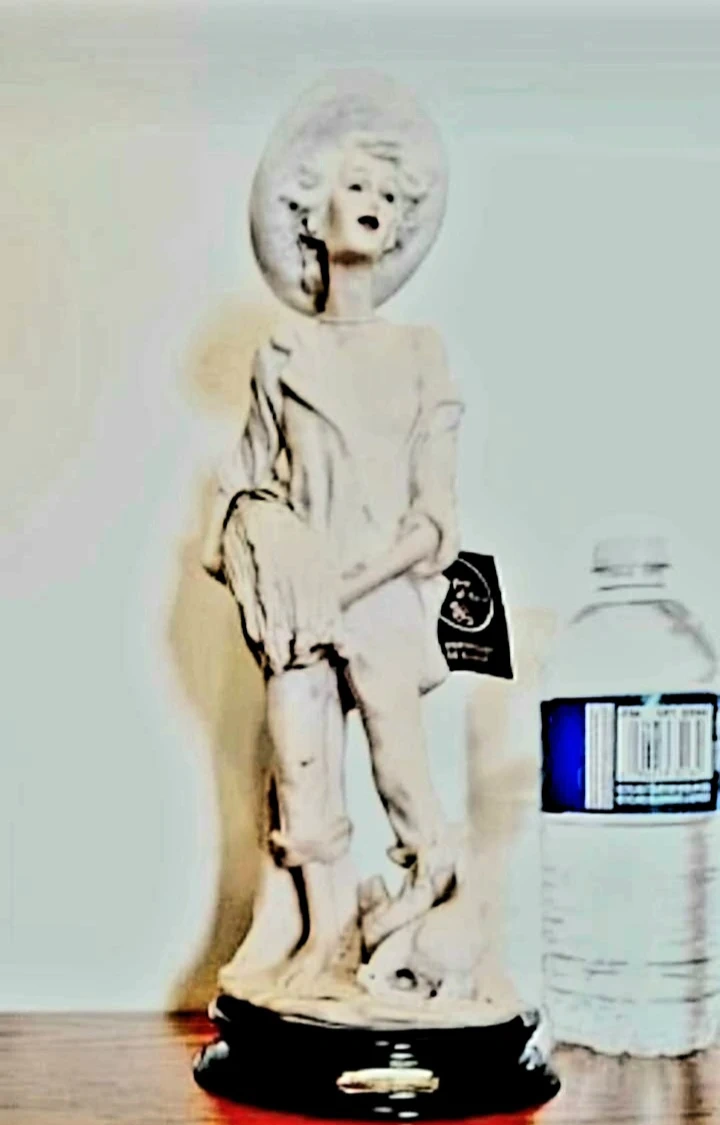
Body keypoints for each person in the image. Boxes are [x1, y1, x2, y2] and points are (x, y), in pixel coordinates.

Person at [201, 81, 463, 997]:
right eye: (357, 187)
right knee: (300, 770)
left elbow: (437, 516)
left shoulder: (420, 353)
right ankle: (322, 934)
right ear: (314, 215)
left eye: (389, 196)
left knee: (403, 774)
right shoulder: (283, 353)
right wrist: (259, 547)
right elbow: (244, 479)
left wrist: (354, 579)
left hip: (379, 596)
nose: (374, 204)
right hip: (302, 609)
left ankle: (413, 927)